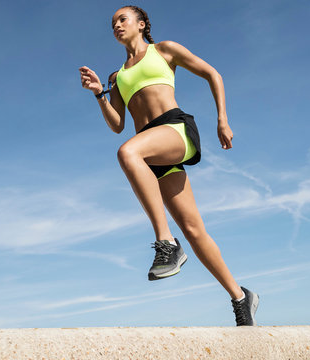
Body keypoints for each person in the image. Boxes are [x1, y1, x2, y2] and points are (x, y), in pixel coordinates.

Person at [79, 5, 259, 326]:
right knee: (193, 229)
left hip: (174, 130)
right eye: (113, 23)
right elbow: (117, 124)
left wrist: (222, 119)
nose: (117, 26)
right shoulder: (116, 77)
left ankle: (166, 243)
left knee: (127, 154)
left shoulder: (163, 51)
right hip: (151, 151)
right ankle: (241, 298)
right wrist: (99, 96)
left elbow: (212, 74)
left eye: (123, 19)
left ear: (142, 24)